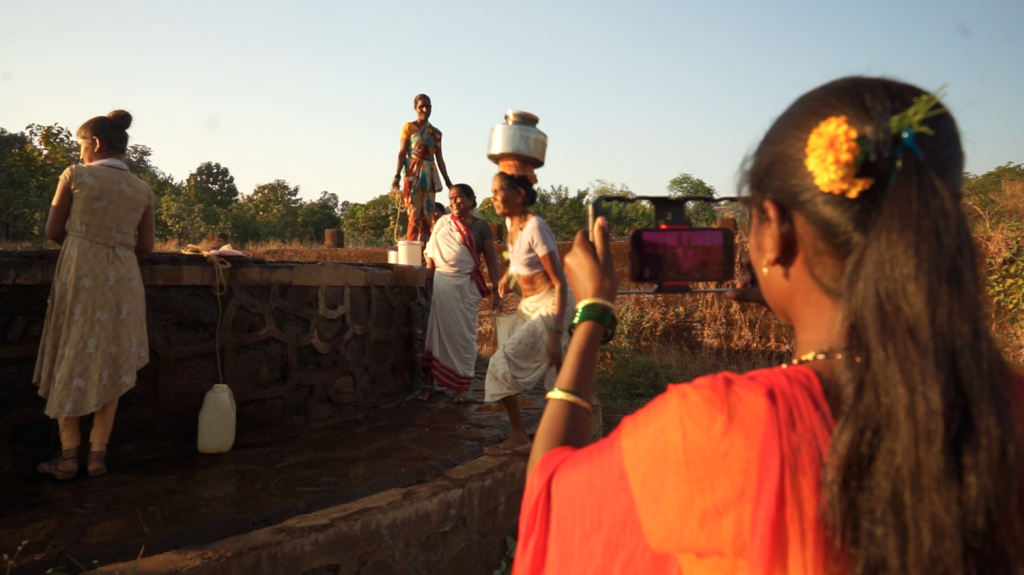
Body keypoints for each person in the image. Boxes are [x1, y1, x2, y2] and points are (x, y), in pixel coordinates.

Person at [514, 77, 1024, 574]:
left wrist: (593, 312)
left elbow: (552, 496)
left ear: (776, 230)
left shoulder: (718, 428)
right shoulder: (1008, 404)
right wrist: (800, 305)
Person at [34, 110, 155, 480]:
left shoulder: (76, 175)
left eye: (82, 144)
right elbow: (146, 246)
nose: (81, 151)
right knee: (112, 356)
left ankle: (69, 455)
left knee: (70, 352)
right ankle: (97, 457)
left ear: (96, 143)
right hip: (123, 280)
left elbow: (53, 231)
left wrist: (84, 241)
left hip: (80, 272)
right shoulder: (142, 189)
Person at [482, 173, 573, 456]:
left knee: (501, 362)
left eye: (498, 191)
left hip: (550, 304)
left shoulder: (536, 227)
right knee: (553, 370)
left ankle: (520, 436)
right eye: (492, 191)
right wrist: (507, 279)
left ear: (519, 195)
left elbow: (559, 281)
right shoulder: (511, 224)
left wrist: (557, 333)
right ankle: (558, 432)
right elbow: (520, 261)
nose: (493, 196)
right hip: (529, 305)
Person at [419, 184, 502, 402]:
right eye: (451, 197)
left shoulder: (481, 227)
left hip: (466, 288)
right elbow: (431, 254)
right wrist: (428, 279)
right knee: (434, 335)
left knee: (464, 337)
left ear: (472, 200)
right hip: (442, 284)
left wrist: (498, 291)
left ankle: (462, 387)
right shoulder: (442, 224)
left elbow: (492, 261)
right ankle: (429, 385)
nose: (454, 201)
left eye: (459, 197)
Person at [392, 94, 452, 243]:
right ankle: (412, 250)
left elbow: (439, 159)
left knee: (428, 215)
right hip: (413, 172)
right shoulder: (408, 127)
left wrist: (448, 181)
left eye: (428, 106)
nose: (425, 110)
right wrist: (396, 176)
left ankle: (427, 251)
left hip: (429, 174)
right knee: (413, 214)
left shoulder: (436, 133)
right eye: (421, 107)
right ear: (415, 108)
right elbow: (402, 152)